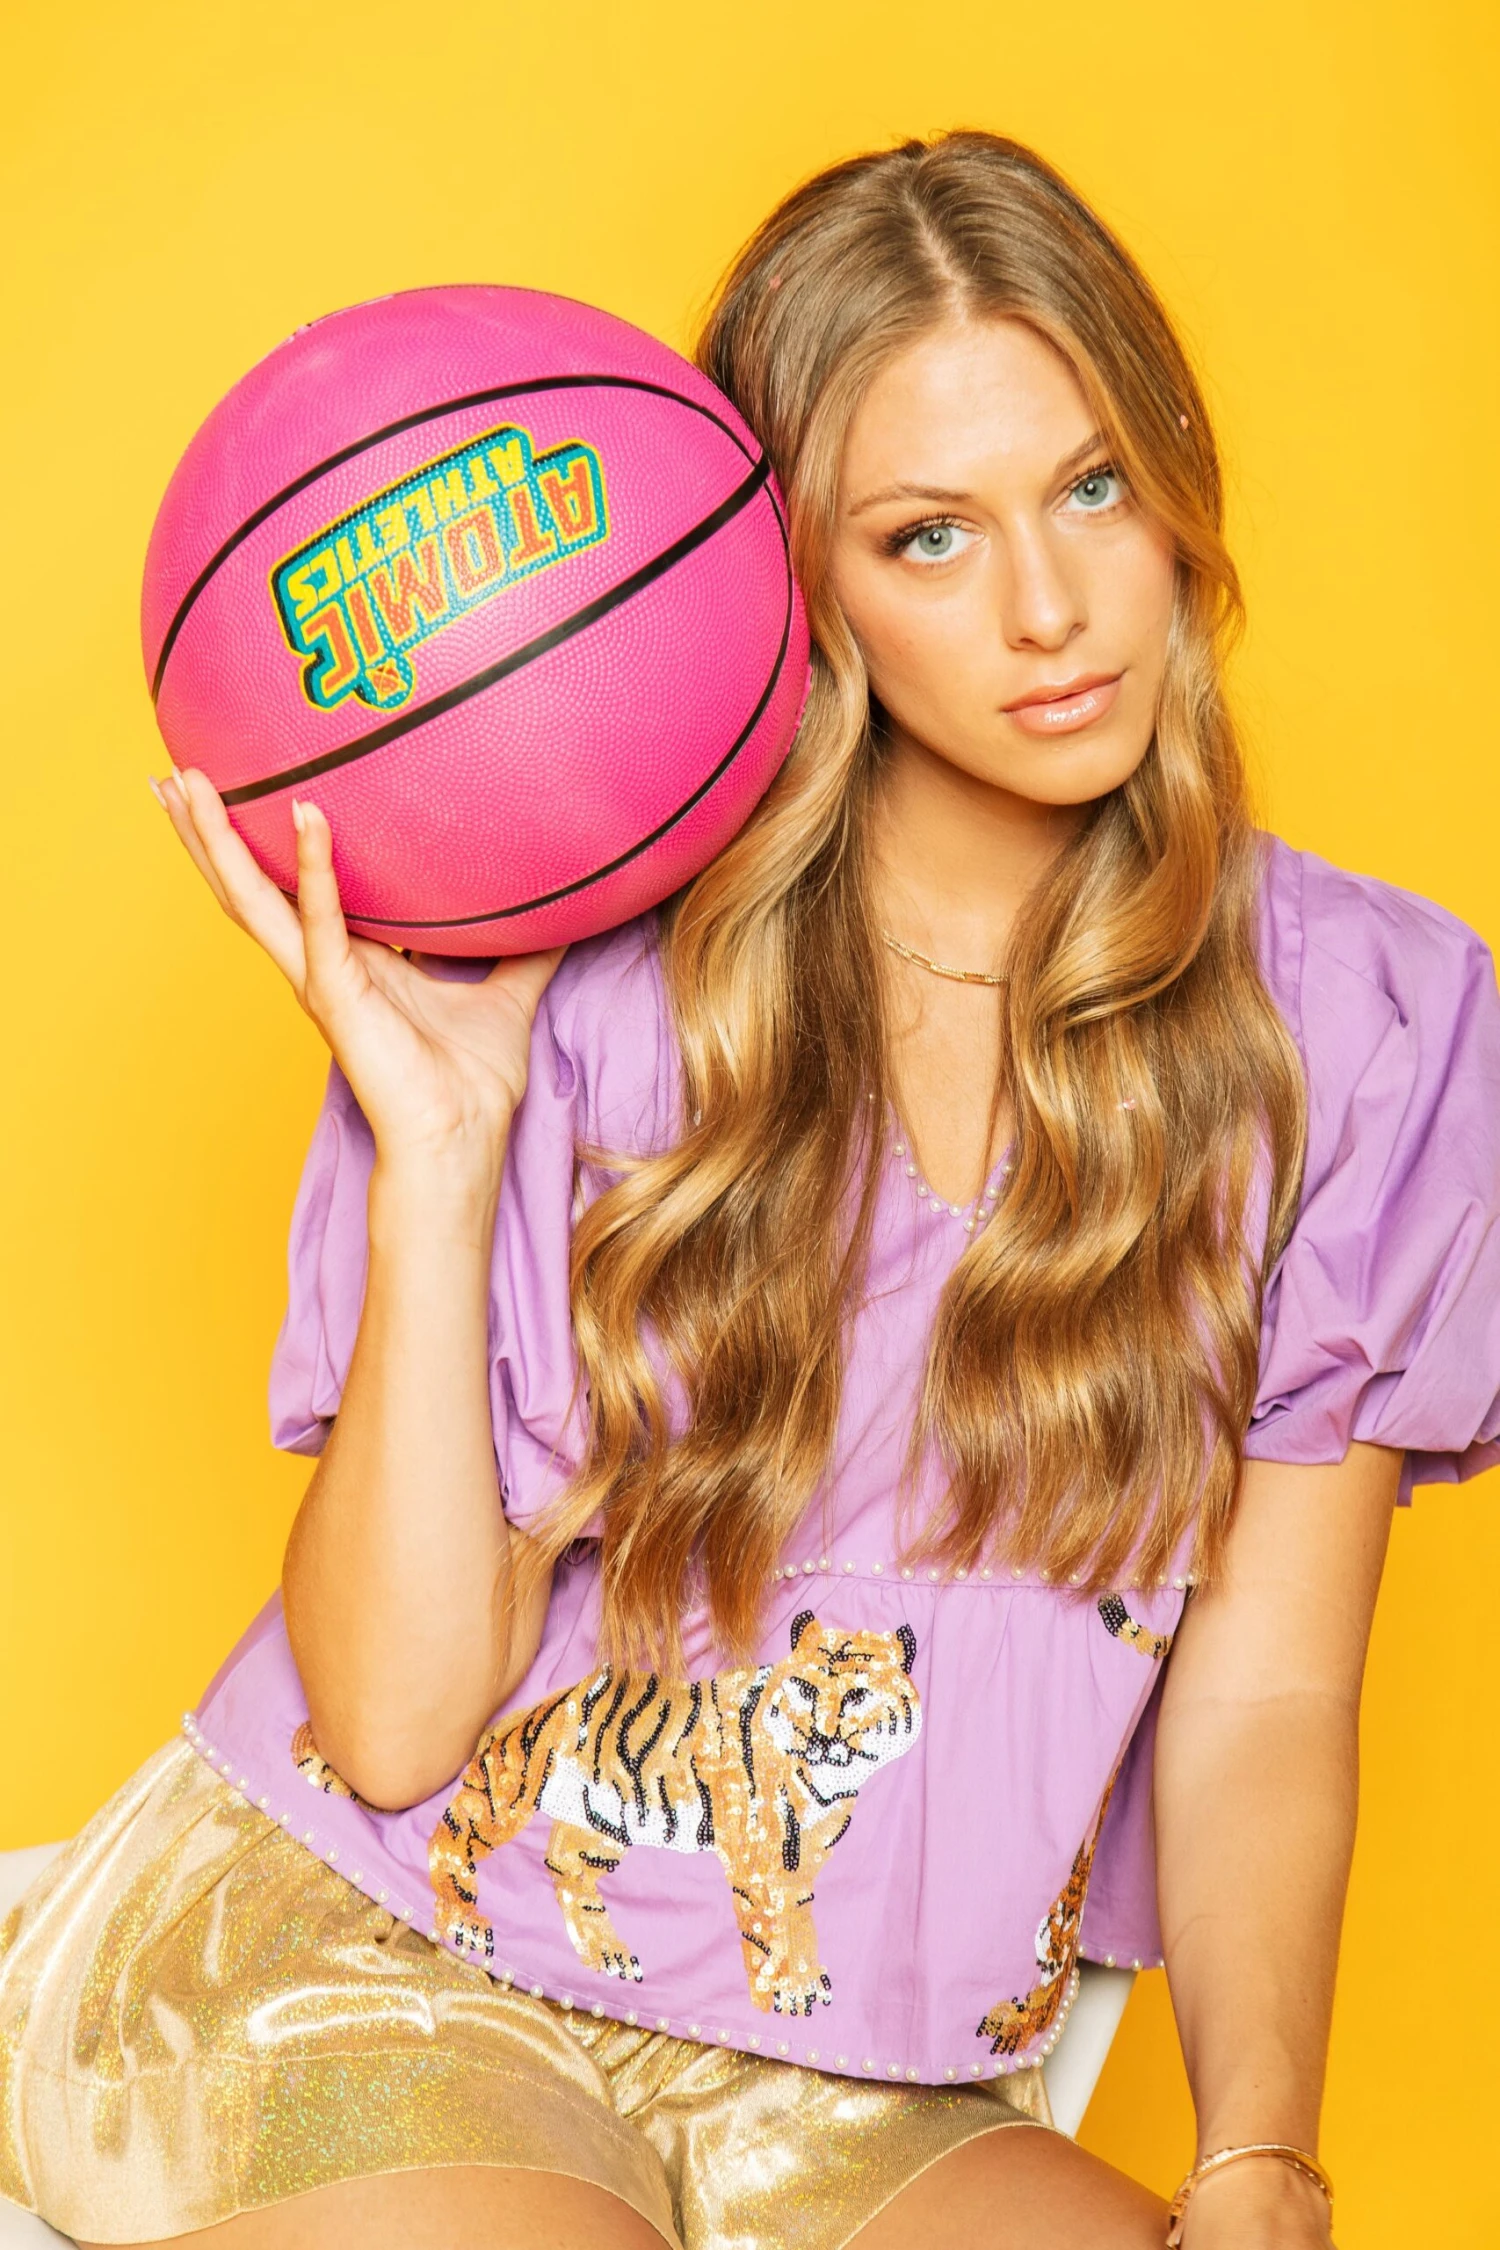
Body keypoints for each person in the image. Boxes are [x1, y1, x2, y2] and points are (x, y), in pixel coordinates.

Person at [2, 130, 1497, 2250]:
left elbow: (1267, 1695)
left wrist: (1260, 2153)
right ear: (798, 580)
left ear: (1175, 482)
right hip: (370, 1950)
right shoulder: (574, 985)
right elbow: (399, 1721)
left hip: (849, 2068)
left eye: (1091, 487)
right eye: (927, 536)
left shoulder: (1372, 1026)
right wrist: (443, 1158)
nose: (1051, 609)